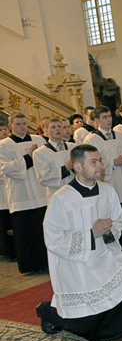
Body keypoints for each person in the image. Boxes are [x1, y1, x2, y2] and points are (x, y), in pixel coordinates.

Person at [36, 144, 122, 341]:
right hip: (76, 263)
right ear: (78, 167)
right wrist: (90, 234)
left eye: (100, 160)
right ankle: (48, 311)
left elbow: (118, 222)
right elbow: (53, 239)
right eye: (94, 162)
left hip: (104, 254)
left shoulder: (108, 191)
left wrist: (108, 230)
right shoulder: (61, 198)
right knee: (86, 323)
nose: (100, 165)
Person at [0, 113, 48, 274]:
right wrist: (27, 158)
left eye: (24, 123)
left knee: (41, 230)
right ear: (10, 126)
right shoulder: (4, 145)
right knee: (24, 233)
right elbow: (5, 169)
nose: (22, 127)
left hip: (40, 192)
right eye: (18, 124)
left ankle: (45, 262)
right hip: (20, 195)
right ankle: (29, 266)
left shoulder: (39, 140)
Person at [85, 106, 122, 252]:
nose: (108, 120)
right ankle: (110, 249)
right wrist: (111, 163)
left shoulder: (120, 136)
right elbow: (91, 162)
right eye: (104, 117)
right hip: (107, 182)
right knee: (109, 216)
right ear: (96, 121)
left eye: (109, 116)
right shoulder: (91, 139)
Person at [33, 117, 76, 200]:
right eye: (53, 127)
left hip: (76, 190)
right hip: (57, 193)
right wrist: (65, 168)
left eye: (59, 126)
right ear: (46, 131)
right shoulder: (40, 153)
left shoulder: (73, 147)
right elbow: (44, 178)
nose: (57, 129)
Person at [0, 123, 15, 261]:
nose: (4, 131)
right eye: (0, 130)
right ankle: (7, 251)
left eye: (5, 129)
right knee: (3, 224)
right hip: (1, 194)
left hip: (12, 190)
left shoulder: (10, 147)